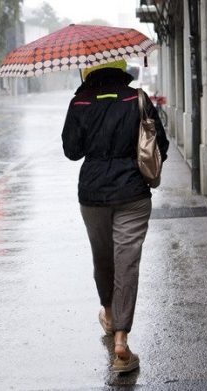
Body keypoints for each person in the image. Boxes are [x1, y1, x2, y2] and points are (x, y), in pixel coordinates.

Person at [61, 59, 169, 373]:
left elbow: (71, 150)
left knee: (103, 258)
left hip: (93, 195)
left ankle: (108, 313)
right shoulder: (137, 99)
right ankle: (121, 340)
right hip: (133, 194)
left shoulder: (80, 101)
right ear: (123, 68)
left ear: (89, 71)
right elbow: (160, 142)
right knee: (127, 263)